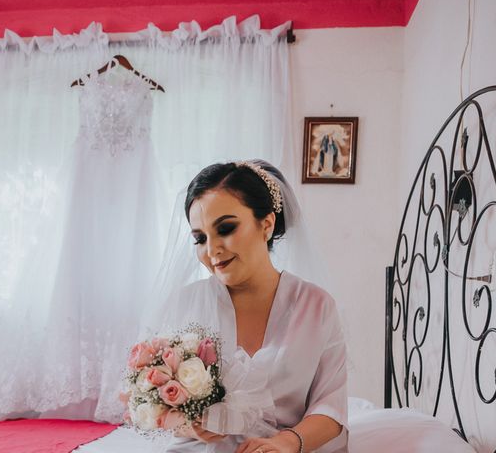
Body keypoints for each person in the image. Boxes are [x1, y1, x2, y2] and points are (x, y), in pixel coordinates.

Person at [146, 160, 348, 453]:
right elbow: (142, 399)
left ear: (266, 224)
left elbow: (331, 405)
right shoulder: (183, 304)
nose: (212, 249)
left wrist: (285, 443)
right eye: (200, 238)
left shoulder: (316, 306)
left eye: (226, 228)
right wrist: (187, 424)